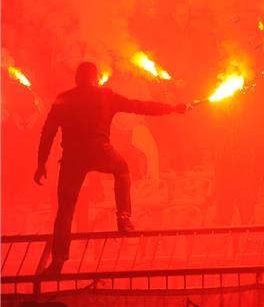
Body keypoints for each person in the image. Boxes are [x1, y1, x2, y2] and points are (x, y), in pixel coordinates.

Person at [34, 62, 188, 274]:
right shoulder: (106, 96)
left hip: (72, 157)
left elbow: (47, 131)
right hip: (99, 150)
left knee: (65, 211)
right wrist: (172, 108)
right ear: (95, 77)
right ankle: (123, 217)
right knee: (122, 169)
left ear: (77, 79)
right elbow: (139, 106)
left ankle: (58, 261)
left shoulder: (64, 98)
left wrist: (41, 162)